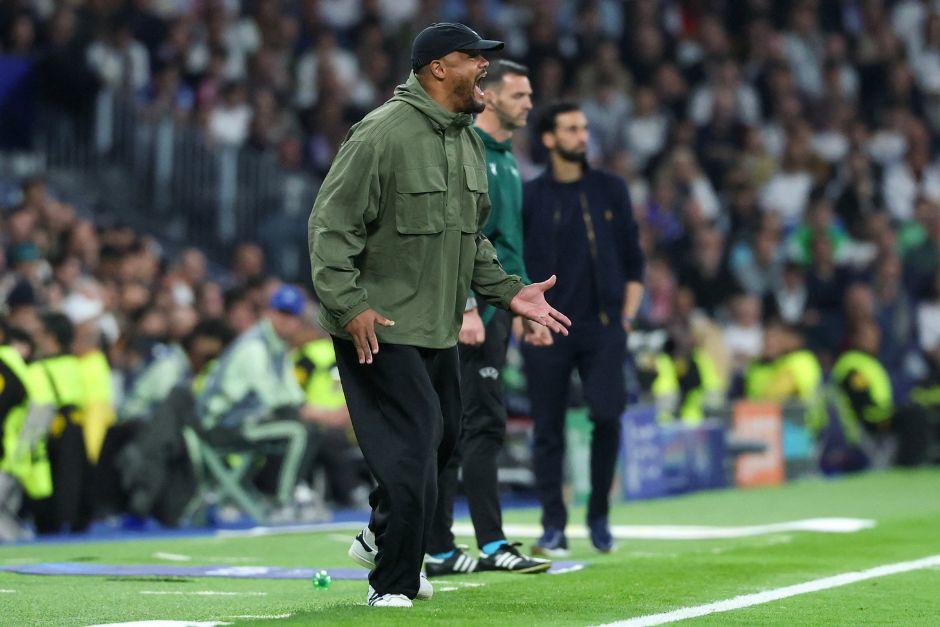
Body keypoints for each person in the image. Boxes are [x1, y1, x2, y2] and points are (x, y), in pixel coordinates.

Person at [309, 23, 571, 608]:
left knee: (444, 441)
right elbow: (330, 227)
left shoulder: (465, 141)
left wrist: (510, 293)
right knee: (414, 446)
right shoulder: (380, 135)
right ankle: (393, 584)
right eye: (473, 58)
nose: (485, 68)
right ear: (436, 69)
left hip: (439, 327)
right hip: (381, 328)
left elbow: (471, 237)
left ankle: (381, 536)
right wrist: (350, 306)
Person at [426, 59, 551, 577]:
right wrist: (468, 306)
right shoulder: (469, 149)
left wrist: (525, 306)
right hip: (468, 309)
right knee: (466, 425)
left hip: (496, 309)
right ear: (493, 98)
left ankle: (446, 546)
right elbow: (456, 233)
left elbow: (509, 245)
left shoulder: (505, 158)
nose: (528, 104)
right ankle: (479, 544)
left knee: (475, 424)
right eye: (519, 95)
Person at [521, 102, 645, 556]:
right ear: (550, 139)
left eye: (585, 128)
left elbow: (635, 260)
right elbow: (513, 260)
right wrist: (521, 316)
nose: (582, 136)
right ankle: (553, 523)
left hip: (604, 326)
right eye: (571, 129)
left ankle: (599, 516)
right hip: (546, 326)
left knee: (607, 416)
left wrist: (627, 319)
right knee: (547, 427)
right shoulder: (531, 196)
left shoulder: (610, 189)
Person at [196, 285, 343, 514]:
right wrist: (318, 413)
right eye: (281, 313)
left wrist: (317, 413)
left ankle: (291, 492)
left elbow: (292, 393)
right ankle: (284, 501)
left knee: (308, 427)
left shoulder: (276, 347)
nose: (286, 321)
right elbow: (273, 398)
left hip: (243, 422)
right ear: (269, 313)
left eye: (291, 315)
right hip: (221, 426)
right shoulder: (255, 346)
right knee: (298, 431)